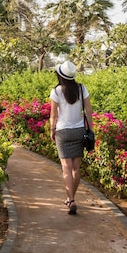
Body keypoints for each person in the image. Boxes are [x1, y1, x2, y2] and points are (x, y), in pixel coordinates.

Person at [49, 61, 93, 215]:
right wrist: (90, 129)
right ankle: (71, 198)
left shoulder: (56, 91)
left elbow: (53, 115)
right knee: (76, 168)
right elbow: (88, 110)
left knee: (66, 168)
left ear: (60, 75)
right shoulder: (82, 88)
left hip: (63, 132)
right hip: (79, 130)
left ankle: (71, 199)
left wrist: (52, 130)